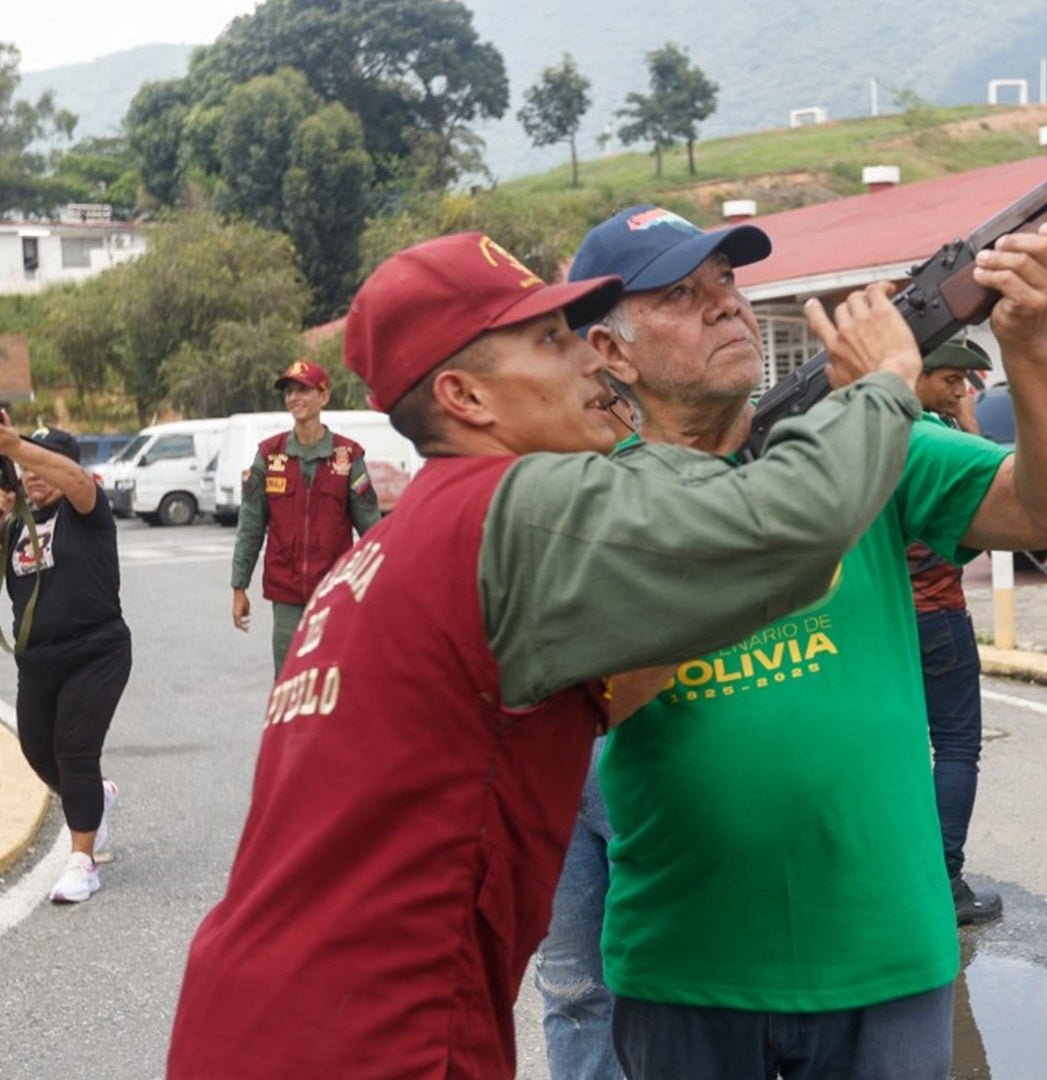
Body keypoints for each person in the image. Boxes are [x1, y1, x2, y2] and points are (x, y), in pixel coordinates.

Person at [165, 231, 930, 1079]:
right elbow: (792, 523)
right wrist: (885, 380)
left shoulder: (398, 548)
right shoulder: (515, 506)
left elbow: (547, 707)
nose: (591, 362)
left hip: (255, 1021)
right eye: (554, 340)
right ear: (466, 397)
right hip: (376, 1038)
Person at [550, 205, 1047, 1079]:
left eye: (727, 283)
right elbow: (593, 690)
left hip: (886, 950)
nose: (726, 307)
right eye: (682, 296)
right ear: (610, 353)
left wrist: (1029, 346)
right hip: (686, 968)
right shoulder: (587, 500)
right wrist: (866, 407)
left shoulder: (863, 441)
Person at [0, 421, 130, 904]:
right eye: (25, 467)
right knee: (40, 753)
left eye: (43, 462)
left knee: (75, 749)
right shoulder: (19, 523)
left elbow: (76, 481)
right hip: (38, 660)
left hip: (96, 651)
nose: (32, 475)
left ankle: (83, 862)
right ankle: (98, 796)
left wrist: (17, 448)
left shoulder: (86, 511)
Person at [906, 336, 1004, 926]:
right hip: (938, 618)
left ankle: (900, 874)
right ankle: (943, 881)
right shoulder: (938, 443)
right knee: (957, 747)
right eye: (950, 382)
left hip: (889, 621)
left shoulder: (872, 435)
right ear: (916, 376)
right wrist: (968, 424)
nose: (961, 393)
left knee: (897, 749)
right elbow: (994, 497)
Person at [230, 358, 382, 674]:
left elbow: (372, 529)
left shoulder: (348, 456)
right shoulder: (269, 455)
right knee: (288, 681)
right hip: (286, 595)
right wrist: (238, 586)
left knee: (332, 680)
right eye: (289, 391)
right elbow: (251, 525)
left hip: (335, 594)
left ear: (324, 396)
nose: (293, 398)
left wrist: (388, 585)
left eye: (303, 390)